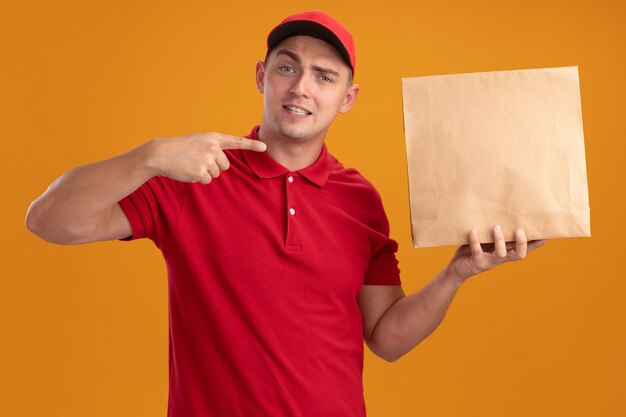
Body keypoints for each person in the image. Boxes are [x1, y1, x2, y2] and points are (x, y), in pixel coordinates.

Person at [25, 10, 545, 417]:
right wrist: (148, 156)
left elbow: (386, 338)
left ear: (347, 98)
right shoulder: (193, 175)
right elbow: (48, 220)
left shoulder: (359, 198)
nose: (300, 88)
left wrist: (457, 274)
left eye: (324, 77)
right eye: (288, 67)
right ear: (262, 75)